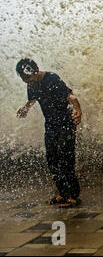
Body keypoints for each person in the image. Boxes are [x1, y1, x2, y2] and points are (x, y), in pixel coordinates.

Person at [16, 58, 82, 208]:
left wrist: (78, 111)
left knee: (66, 157)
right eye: (23, 78)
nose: (27, 81)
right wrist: (26, 108)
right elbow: (33, 99)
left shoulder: (52, 78)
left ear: (36, 71)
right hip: (51, 125)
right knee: (52, 158)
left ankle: (73, 195)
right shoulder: (32, 83)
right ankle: (62, 193)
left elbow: (70, 96)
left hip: (66, 123)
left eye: (28, 78)